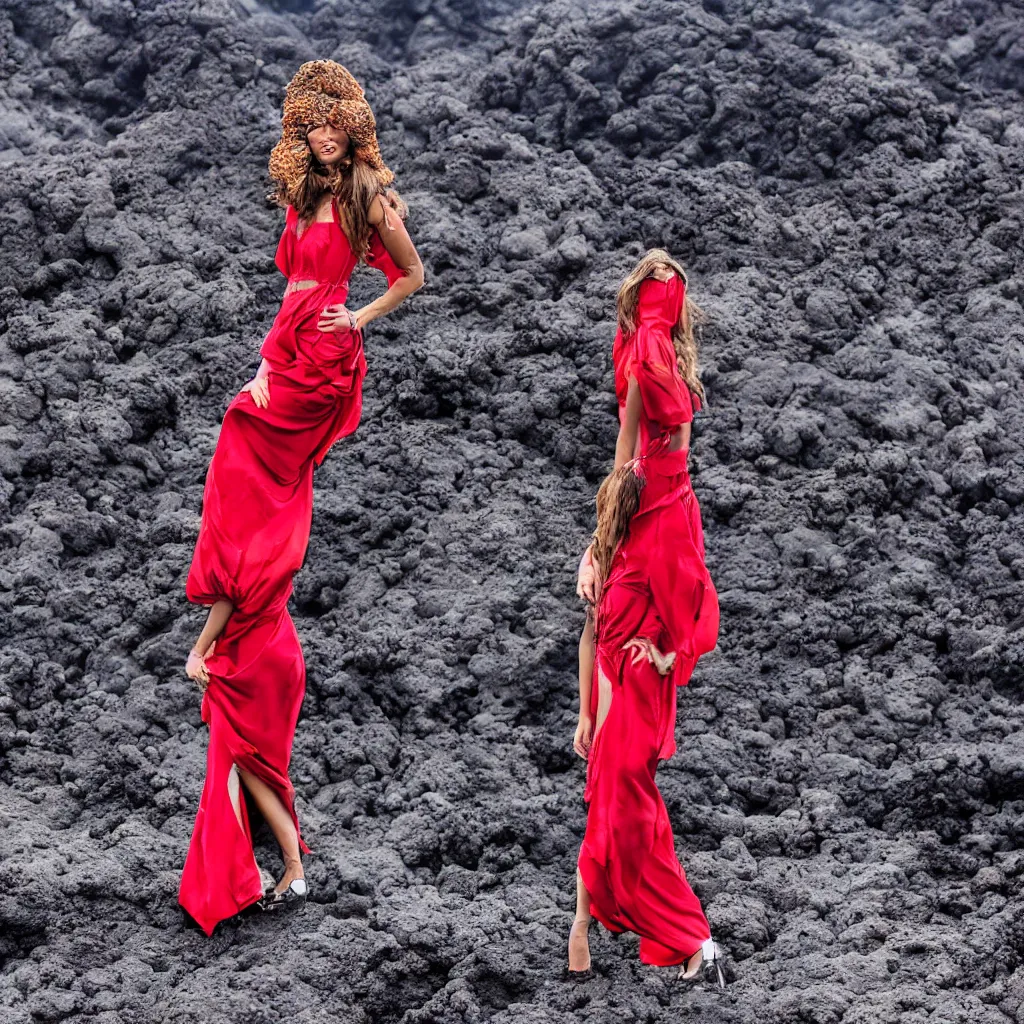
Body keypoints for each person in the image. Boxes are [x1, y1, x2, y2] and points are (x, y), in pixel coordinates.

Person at [178, 60, 424, 937]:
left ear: (351, 126)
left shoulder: (365, 194)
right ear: (302, 129)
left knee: (247, 455)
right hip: (283, 348)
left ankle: (237, 592)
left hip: (321, 357)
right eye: (313, 124)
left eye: (335, 123)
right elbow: (287, 284)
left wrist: (357, 320)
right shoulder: (305, 189)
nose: (325, 134)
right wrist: (262, 360)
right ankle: (244, 584)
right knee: (242, 460)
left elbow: (412, 277)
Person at [568, 250, 723, 982]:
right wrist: (601, 549)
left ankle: (685, 935)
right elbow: (634, 461)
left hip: (658, 533)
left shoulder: (653, 368)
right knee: (617, 781)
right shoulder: (666, 371)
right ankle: (641, 931)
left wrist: (602, 547)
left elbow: (631, 461)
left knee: (623, 783)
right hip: (655, 531)